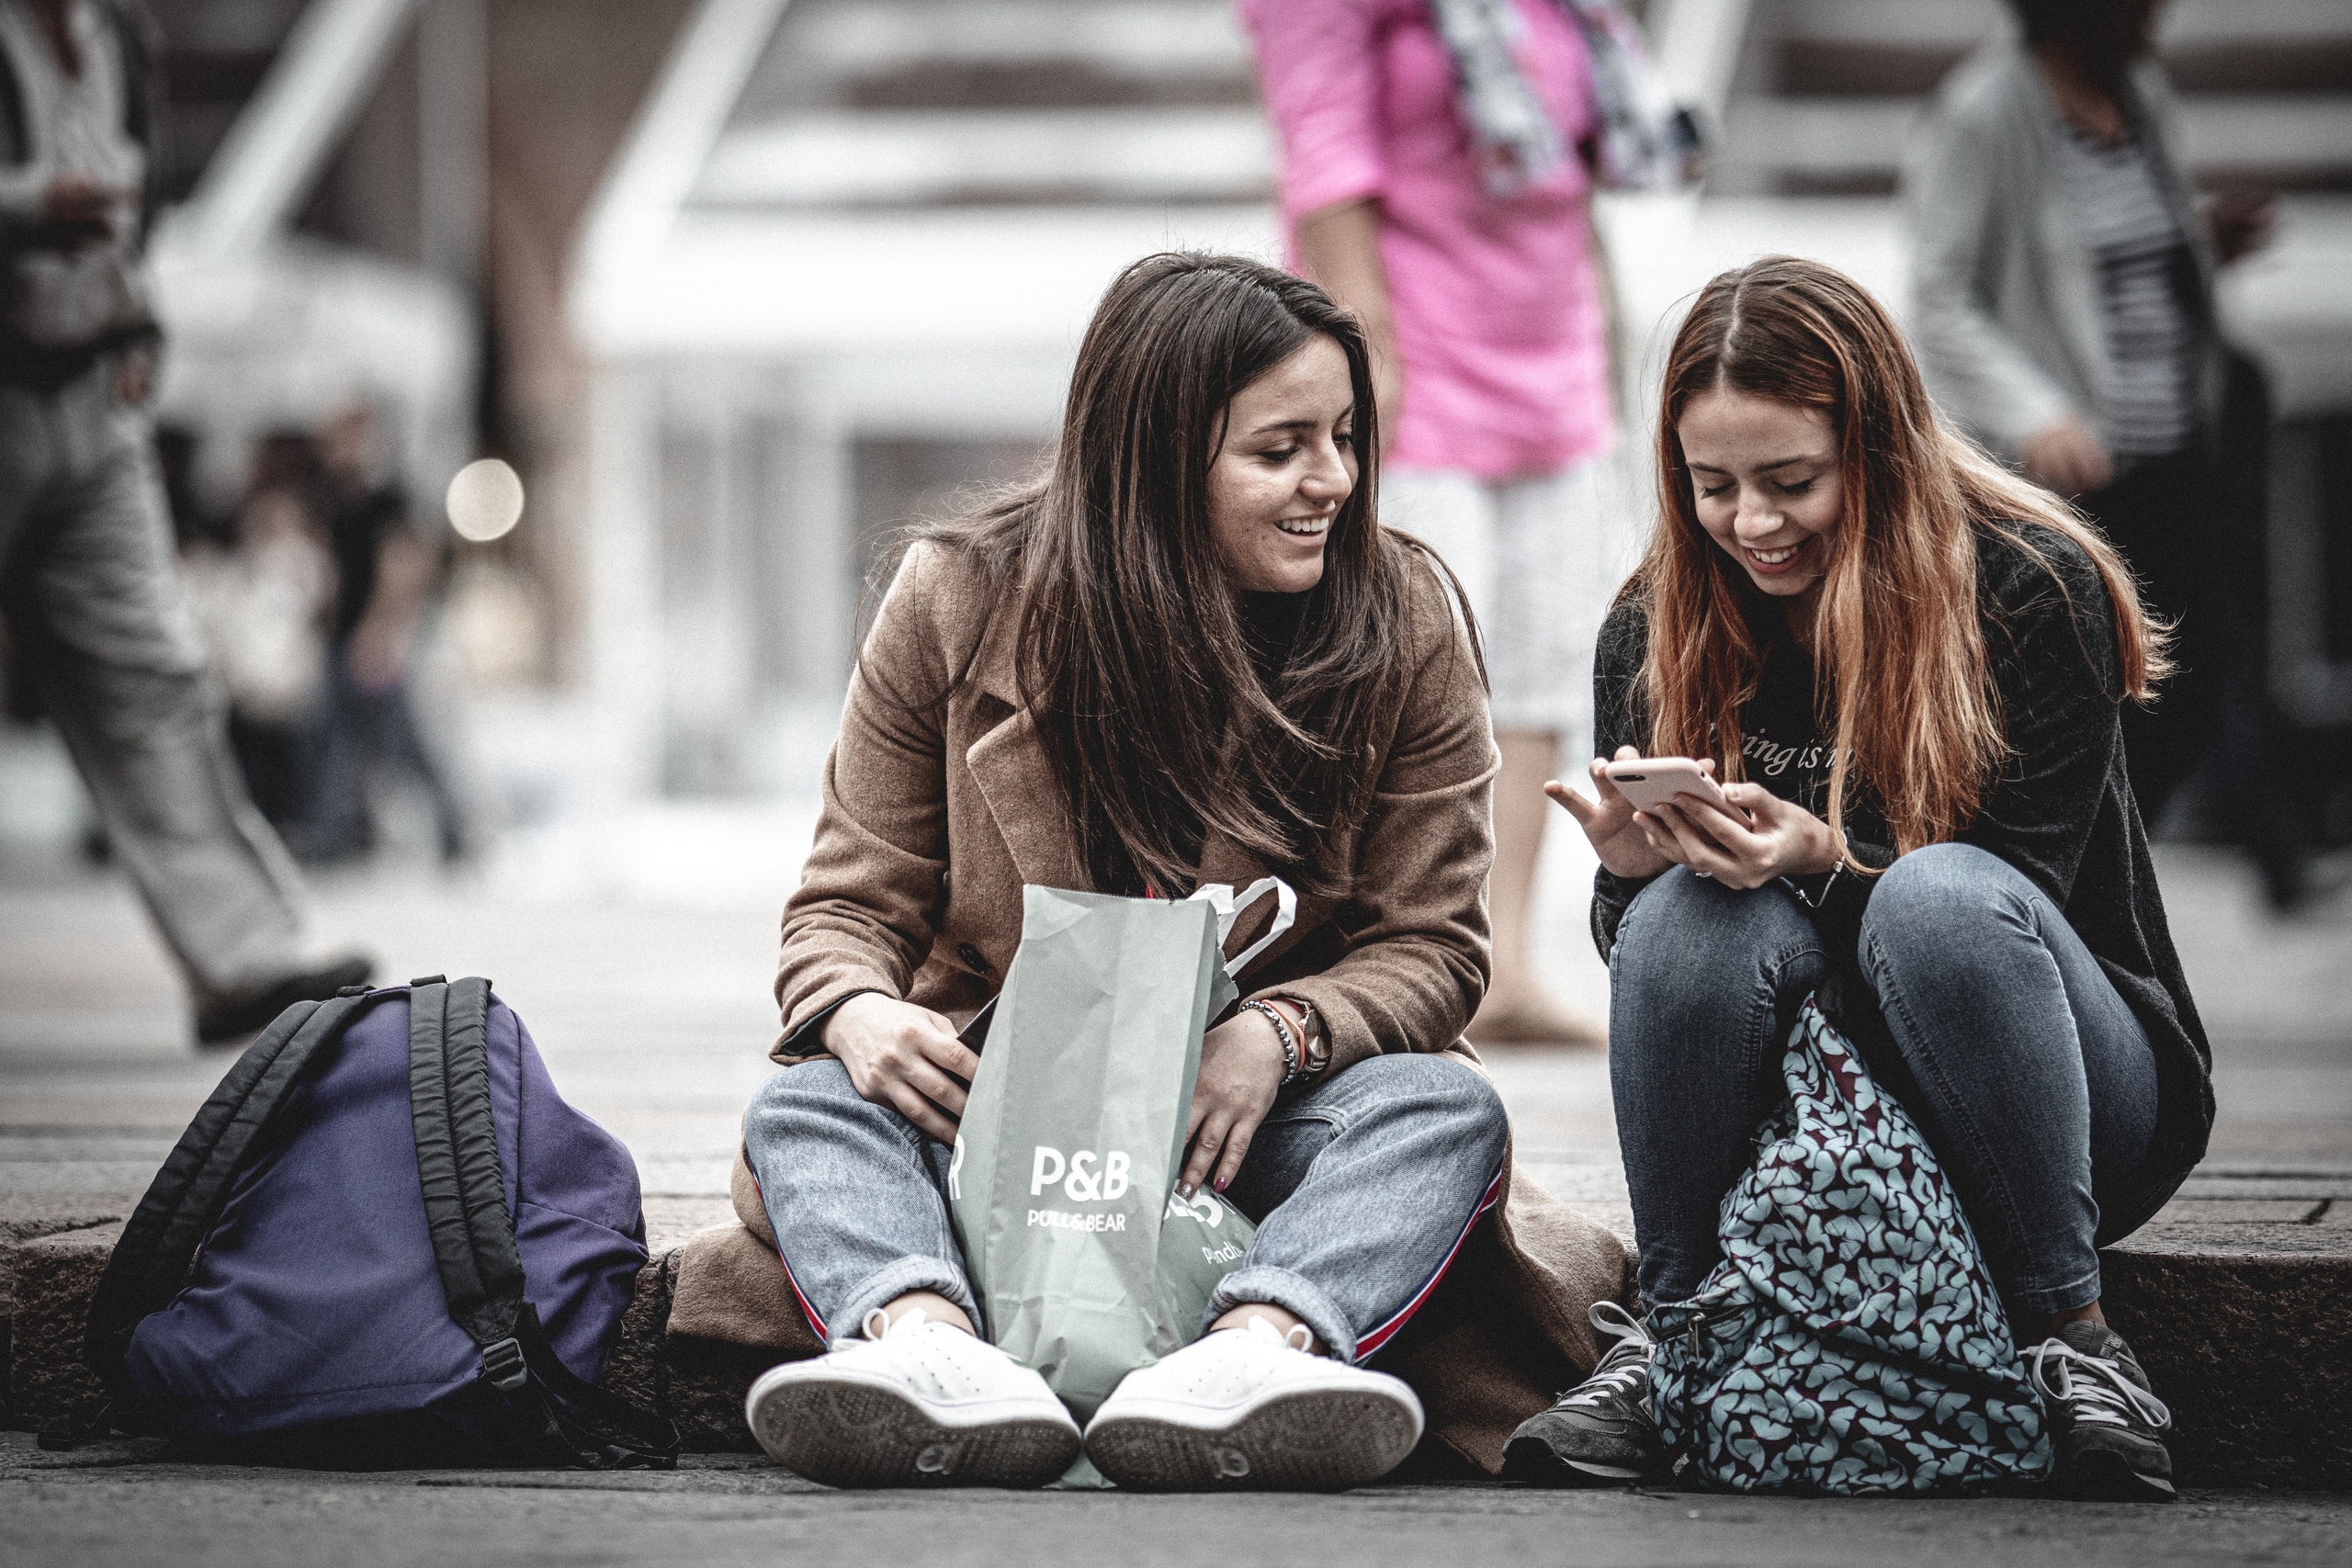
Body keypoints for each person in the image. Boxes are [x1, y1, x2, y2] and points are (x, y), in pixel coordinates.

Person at [736, 253, 1626, 1491]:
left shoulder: (1406, 611)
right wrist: (864, 1011)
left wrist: (1284, 1032)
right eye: (1281, 450)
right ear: (1153, 459)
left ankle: (1249, 1352)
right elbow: (844, 905)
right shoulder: (955, 596)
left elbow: (1437, 946)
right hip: (1004, 1121)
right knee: (806, 1106)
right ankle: (932, 1351)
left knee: (1447, 1112)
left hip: (1245, 1132)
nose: (1335, 481)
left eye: (1348, 436)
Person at [1505, 258, 2210, 1503]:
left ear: (1876, 451)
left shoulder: (2028, 588)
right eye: (1711, 484)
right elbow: (1675, 975)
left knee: (1939, 894)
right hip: (1807, 1111)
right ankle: (1674, 1334)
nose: (1752, 521)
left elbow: (2009, 910)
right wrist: (1629, 879)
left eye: (1792, 481)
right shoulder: (1654, 624)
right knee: (1685, 911)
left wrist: (1829, 861)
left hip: (2057, 1081)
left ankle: (2076, 1338)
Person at [1239, 0, 1649, 1044]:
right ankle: (1380, 953)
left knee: (1543, 667)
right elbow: (1322, 158)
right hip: (1413, 365)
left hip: (1551, 367)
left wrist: (1606, 344)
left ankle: (1500, 962)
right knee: (1408, 662)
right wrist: (1362, 369)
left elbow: (1581, 164)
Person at [0, 0, 368, 1042]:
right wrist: (30, 207)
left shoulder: (112, 33)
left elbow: (135, 202)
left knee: (155, 670)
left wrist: (139, 318)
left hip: (91, 393)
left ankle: (245, 957)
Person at [1905, 0, 2275, 839]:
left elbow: (2113, 261)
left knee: (2189, 690)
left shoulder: (2146, 99)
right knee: (2086, 708)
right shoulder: (1983, 114)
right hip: (2070, 482)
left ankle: (2111, 876)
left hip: (2175, 454)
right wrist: (2036, 413)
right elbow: (1940, 295)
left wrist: (2204, 244)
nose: (2157, 17)